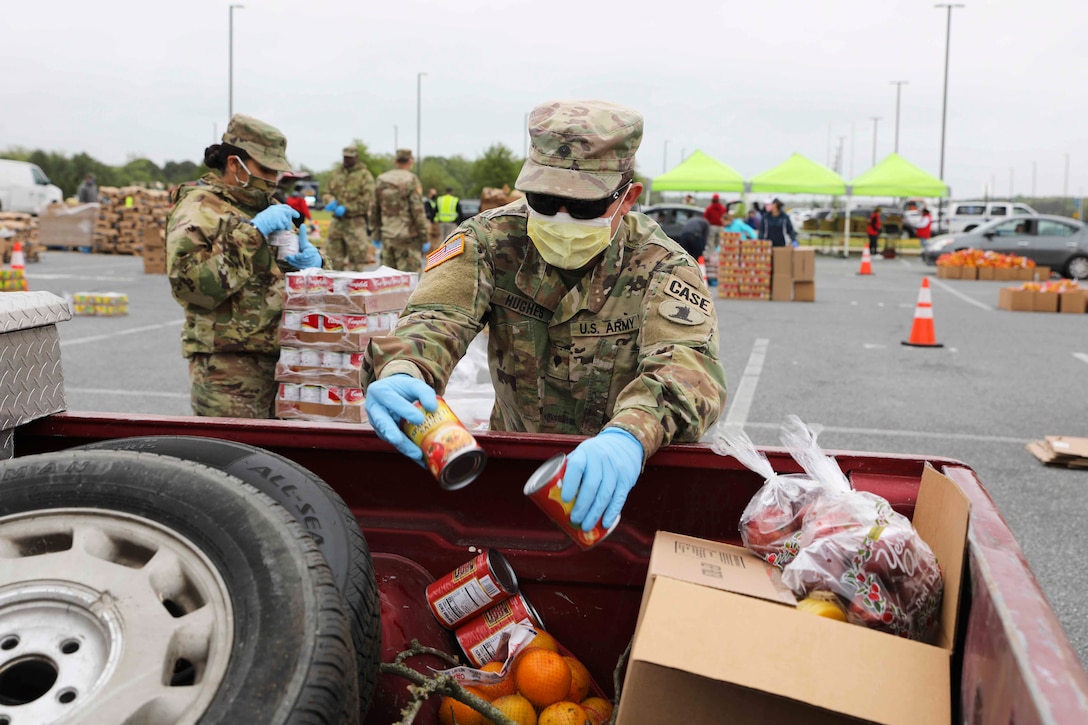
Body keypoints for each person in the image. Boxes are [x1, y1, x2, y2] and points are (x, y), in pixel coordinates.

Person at [364, 99, 727, 535]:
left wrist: (629, 436)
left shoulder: (663, 266)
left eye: (584, 206)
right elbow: (434, 319)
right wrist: (403, 368)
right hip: (515, 470)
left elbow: (688, 371)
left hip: (624, 483)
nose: (559, 218)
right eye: (544, 199)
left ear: (628, 197)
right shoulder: (487, 241)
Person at [165, 114, 323, 418]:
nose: (273, 180)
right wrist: (253, 233)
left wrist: (315, 264)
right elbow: (193, 288)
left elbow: (286, 275)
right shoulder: (199, 208)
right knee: (235, 460)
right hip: (228, 372)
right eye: (265, 169)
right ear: (235, 164)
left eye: (277, 172)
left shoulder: (271, 207)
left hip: (286, 365)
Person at [369, 148, 429, 273]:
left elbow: (374, 209)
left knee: (388, 281)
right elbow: (417, 212)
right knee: (409, 281)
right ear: (410, 161)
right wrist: (424, 237)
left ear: (396, 161)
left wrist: (375, 234)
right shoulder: (411, 180)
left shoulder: (381, 179)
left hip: (387, 236)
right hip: (407, 239)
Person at [324, 146, 376, 270]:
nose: (346, 160)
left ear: (356, 158)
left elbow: (367, 199)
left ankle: (355, 287)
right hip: (337, 222)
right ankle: (335, 287)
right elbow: (326, 192)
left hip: (355, 222)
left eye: (349, 158)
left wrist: (347, 207)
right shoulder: (336, 174)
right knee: (333, 258)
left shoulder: (364, 175)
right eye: (345, 157)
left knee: (357, 259)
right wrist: (330, 200)